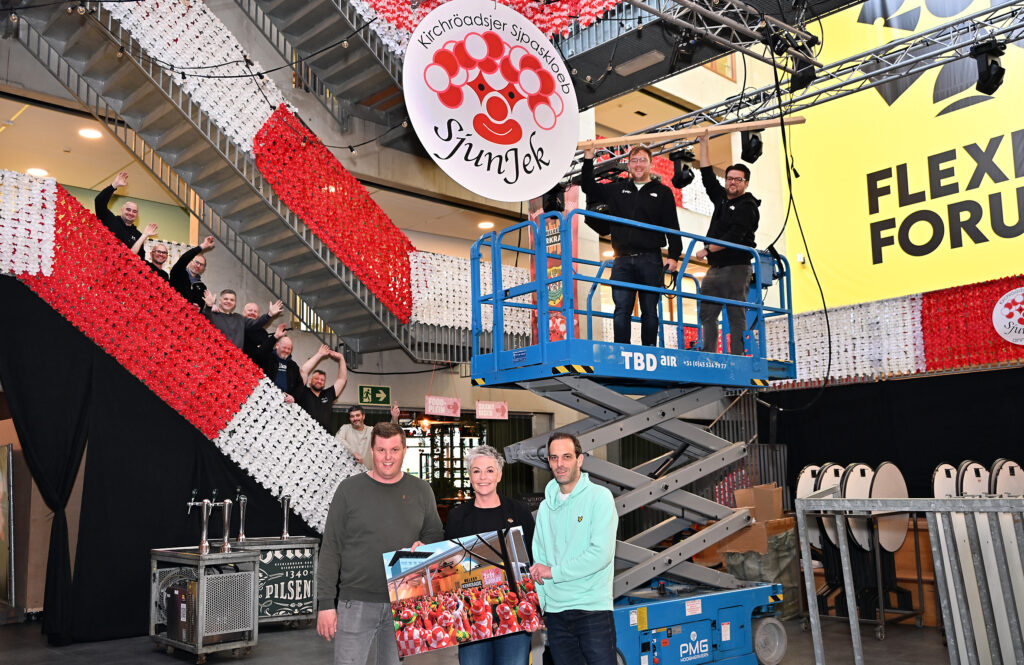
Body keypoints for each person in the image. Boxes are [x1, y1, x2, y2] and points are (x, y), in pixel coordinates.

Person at [316, 422, 444, 665]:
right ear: (371, 452)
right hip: (356, 602)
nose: (388, 457)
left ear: (404, 451)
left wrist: (424, 549)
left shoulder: (421, 490)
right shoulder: (349, 490)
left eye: (394, 450)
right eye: (381, 450)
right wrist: (325, 604)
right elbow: (331, 547)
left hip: (404, 601)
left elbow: (434, 535)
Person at [530, 432, 617, 665]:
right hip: (556, 615)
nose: (560, 464)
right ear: (548, 462)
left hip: (592, 611)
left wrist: (553, 572)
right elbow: (539, 559)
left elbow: (600, 554)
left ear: (580, 460)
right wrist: (543, 606)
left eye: (567, 457)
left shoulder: (600, 498)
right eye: (554, 458)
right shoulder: (545, 508)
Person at [580, 145, 681, 346]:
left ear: (651, 164)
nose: (638, 164)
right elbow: (588, 187)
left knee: (650, 310)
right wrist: (589, 158)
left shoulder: (663, 193)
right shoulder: (617, 189)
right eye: (634, 160)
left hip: (650, 259)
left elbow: (673, 226)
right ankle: (620, 352)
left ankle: (649, 350)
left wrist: (673, 256)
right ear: (628, 165)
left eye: (643, 160)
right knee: (621, 310)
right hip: (622, 259)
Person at [445, 445, 536, 665]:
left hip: (514, 614)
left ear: (499, 474)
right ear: (469, 476)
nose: (483, 477)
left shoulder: (519, 512)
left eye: (489, 470)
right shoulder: (457, 517)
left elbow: (534, 558)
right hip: (473, 614)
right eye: (476, 471)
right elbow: (450, 567)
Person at [696, 131, 759, 356]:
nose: (732, 182)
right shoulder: (721, 198)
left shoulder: (748, 206)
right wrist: (704, 144)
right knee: (707, 313)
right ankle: (709, 353)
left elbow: (736, 236)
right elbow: (706, 176)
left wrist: (707, 248)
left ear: (746, 183)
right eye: (729, 178)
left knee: (735, 313)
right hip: (715, 268)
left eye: (737, 179)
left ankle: (737, 355)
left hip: (737, 267)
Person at [201, 289, 282, 349]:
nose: (228, 301)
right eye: (225, 299)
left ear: (235, 303)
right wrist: (208, 306)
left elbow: (256, 323)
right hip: (215, 362)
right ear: (219, 301)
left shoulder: (239, 318)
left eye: (232, 300)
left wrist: (269, 314)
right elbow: (201, 321)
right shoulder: (212, 315)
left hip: (236, 363)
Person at [94, 171, 145, 260]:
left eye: (134, 211)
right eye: (128, 209)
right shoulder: (110, 220)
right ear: (121, 210)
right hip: (104, 268)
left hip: (124, 272)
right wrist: (114, 185)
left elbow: (141, 260)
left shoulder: (138, 235)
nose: (131, 213)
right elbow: (99, 202)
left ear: (137, 215)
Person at [295, 344, 348, 430]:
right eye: (316, 378)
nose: (319, 381)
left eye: (322, 380)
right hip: (305, 435)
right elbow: (303, 371)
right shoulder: (303, 391)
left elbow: (342, 379)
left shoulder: (328, 394)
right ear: (310, 380)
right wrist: (319, 354)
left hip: (325, 438)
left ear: (324, 383)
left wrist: (341, 358)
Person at [335, 403, 401, 467]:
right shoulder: (345, 428)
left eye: (358, 415)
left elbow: (389, 432)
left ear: (363, 416)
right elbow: (338, 439)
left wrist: (394, 418)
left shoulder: (371, 430)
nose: (355, 419)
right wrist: (354, 453)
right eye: (352, 416)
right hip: (350, 472)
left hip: (368, 472)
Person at [169, 236, 215, 309]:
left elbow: (201, 306)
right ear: (190, 262)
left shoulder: (202, 287)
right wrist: (201, 246)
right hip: (172, 315)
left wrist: (197, 308)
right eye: (196, 262)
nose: (198, 266)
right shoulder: (178, 273)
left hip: (190, 318)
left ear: (203, 268)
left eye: (201, 264)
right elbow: (183, 259)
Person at [258, 334, 301, 402]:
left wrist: (293, 397)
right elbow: (260, 352)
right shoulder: (268, 358)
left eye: (289, 349)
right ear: (277, 345)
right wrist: (275, 336)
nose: (286, 351)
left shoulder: (293, 366)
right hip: (265, 400)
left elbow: (299, 385)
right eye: (284, 347)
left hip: (284, 404)